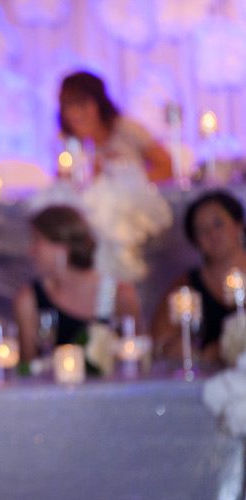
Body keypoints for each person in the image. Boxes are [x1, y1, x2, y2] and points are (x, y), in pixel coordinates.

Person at [13, 205, 141, 363]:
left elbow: (137, 359)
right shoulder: (29, 299)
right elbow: (27, 369)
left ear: (61, 246)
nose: (31, 250)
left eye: (37, 240)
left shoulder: (119, 294)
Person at [151, 190, 246, 366]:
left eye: (218, 224)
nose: (212, 234)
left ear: (238, 225)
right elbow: (159, 342)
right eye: (202, 230)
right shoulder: (185, 286)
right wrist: (179, 349)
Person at [58, 70, 173, 184]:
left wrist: (127, 183)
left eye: (82, 103)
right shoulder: (68, 144)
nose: (76, 113)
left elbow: (167, 167)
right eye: (68, 105)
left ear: (99, 103)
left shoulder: (127, 129)